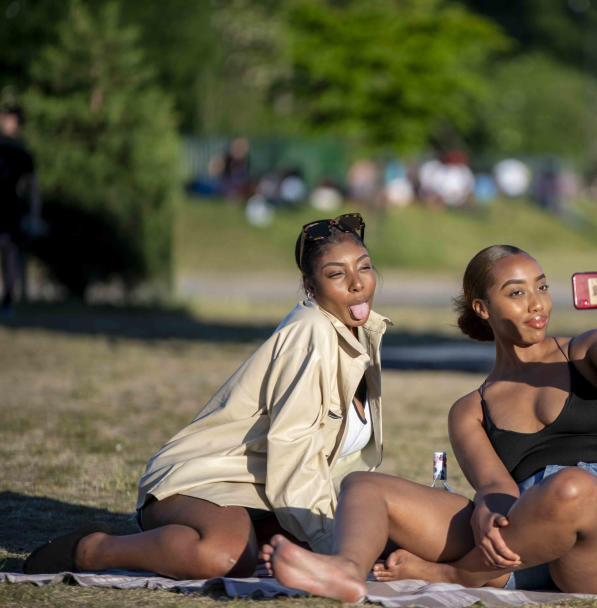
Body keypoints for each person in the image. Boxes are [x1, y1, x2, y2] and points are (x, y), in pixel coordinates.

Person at [259, 244, 597, 600]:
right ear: (482, 309)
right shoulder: (471, 408)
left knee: (572, 487)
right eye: (517, 293)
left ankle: (454, 574)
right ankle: (345, 570)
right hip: (519, 540)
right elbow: (494, 487)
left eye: (541, 287)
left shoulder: (588, 349)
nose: (537, 303)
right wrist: (487, 512)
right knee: (363, 485)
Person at [23, 213, 392, 578]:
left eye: (364, 267)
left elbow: (338, 463)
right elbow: (293, 450)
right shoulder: (310, 334)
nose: (357, 284)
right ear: (311, 287)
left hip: (267, 496)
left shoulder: (362, 333)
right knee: (224, 558)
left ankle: (253, 536)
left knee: (391, 544)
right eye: (336, 274)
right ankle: (92, 549)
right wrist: (333, 549)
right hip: (203, 480)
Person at [0, 103, 39, 313]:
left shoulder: (22, 153)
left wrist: (34, 213)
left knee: (10, 254)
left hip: (10, 209)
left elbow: (33, 186)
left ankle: (7, 299)